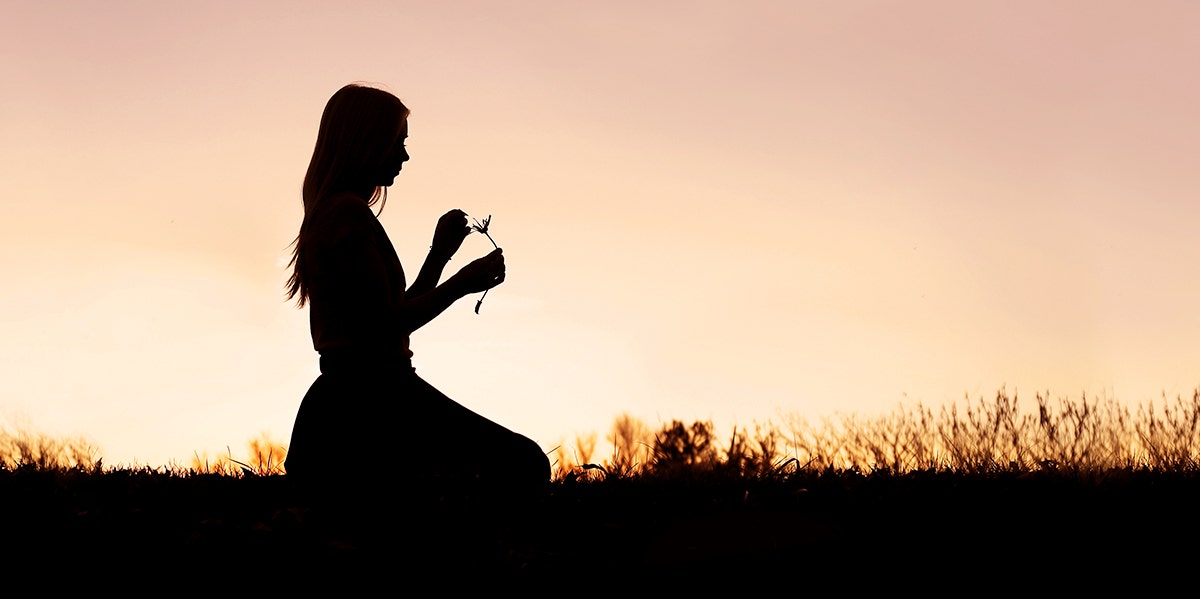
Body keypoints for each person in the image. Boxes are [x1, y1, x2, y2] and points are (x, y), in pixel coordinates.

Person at [282, 83, 550, 508]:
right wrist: (461, 283)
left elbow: (387, 314)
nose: (404, 156)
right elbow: (385, 325)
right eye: (397, 143)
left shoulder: (340, 211)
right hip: (371, 401)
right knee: (525, 466)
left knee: (514, 465)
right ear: (366, 142)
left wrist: (439, 256)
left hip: (361, 397)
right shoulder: (345, 215)